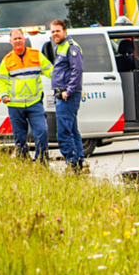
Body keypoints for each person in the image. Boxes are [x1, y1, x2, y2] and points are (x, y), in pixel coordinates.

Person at [0, 28, 54, 163]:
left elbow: (51, 71)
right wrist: (3, 95)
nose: (17, 41)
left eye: (19, 38)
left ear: (24, 39)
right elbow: (0, 81)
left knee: (42, 132)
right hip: (15, 105)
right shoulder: (7, 60)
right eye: (15, 39)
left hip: (35, 103)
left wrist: (64, 83)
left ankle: (42, 161)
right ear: (10, 42)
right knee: (20, 138)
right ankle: (24, 162)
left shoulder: (36, 55)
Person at [50, 19, 85, 171]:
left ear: (65, 31)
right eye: (52, 32)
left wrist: (68, 91)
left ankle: (72, 163)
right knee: (71, 129)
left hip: (67, 95)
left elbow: (77, 71)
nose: (55, 34)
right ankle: (78, 161)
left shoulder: (72, 48)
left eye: (57, 31)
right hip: (62, 94)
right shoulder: (60, 47)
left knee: (64, 131)